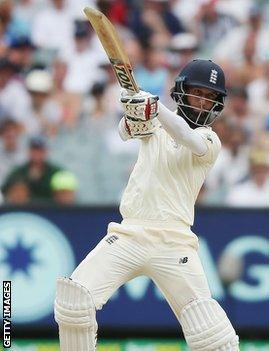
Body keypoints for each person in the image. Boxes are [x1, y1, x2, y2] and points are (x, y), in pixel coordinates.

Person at [53, 59, 240, 351]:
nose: (203, 102)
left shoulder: (209, 140)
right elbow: (124, 131)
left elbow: (183, 134)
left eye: (210, 97)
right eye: (198, 93)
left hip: (174, 243)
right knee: (75, 300)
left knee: (213, 335)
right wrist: (133, 115)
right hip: (130, 235)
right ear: (182, 91)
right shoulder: (155, 123)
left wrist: (153, 107)